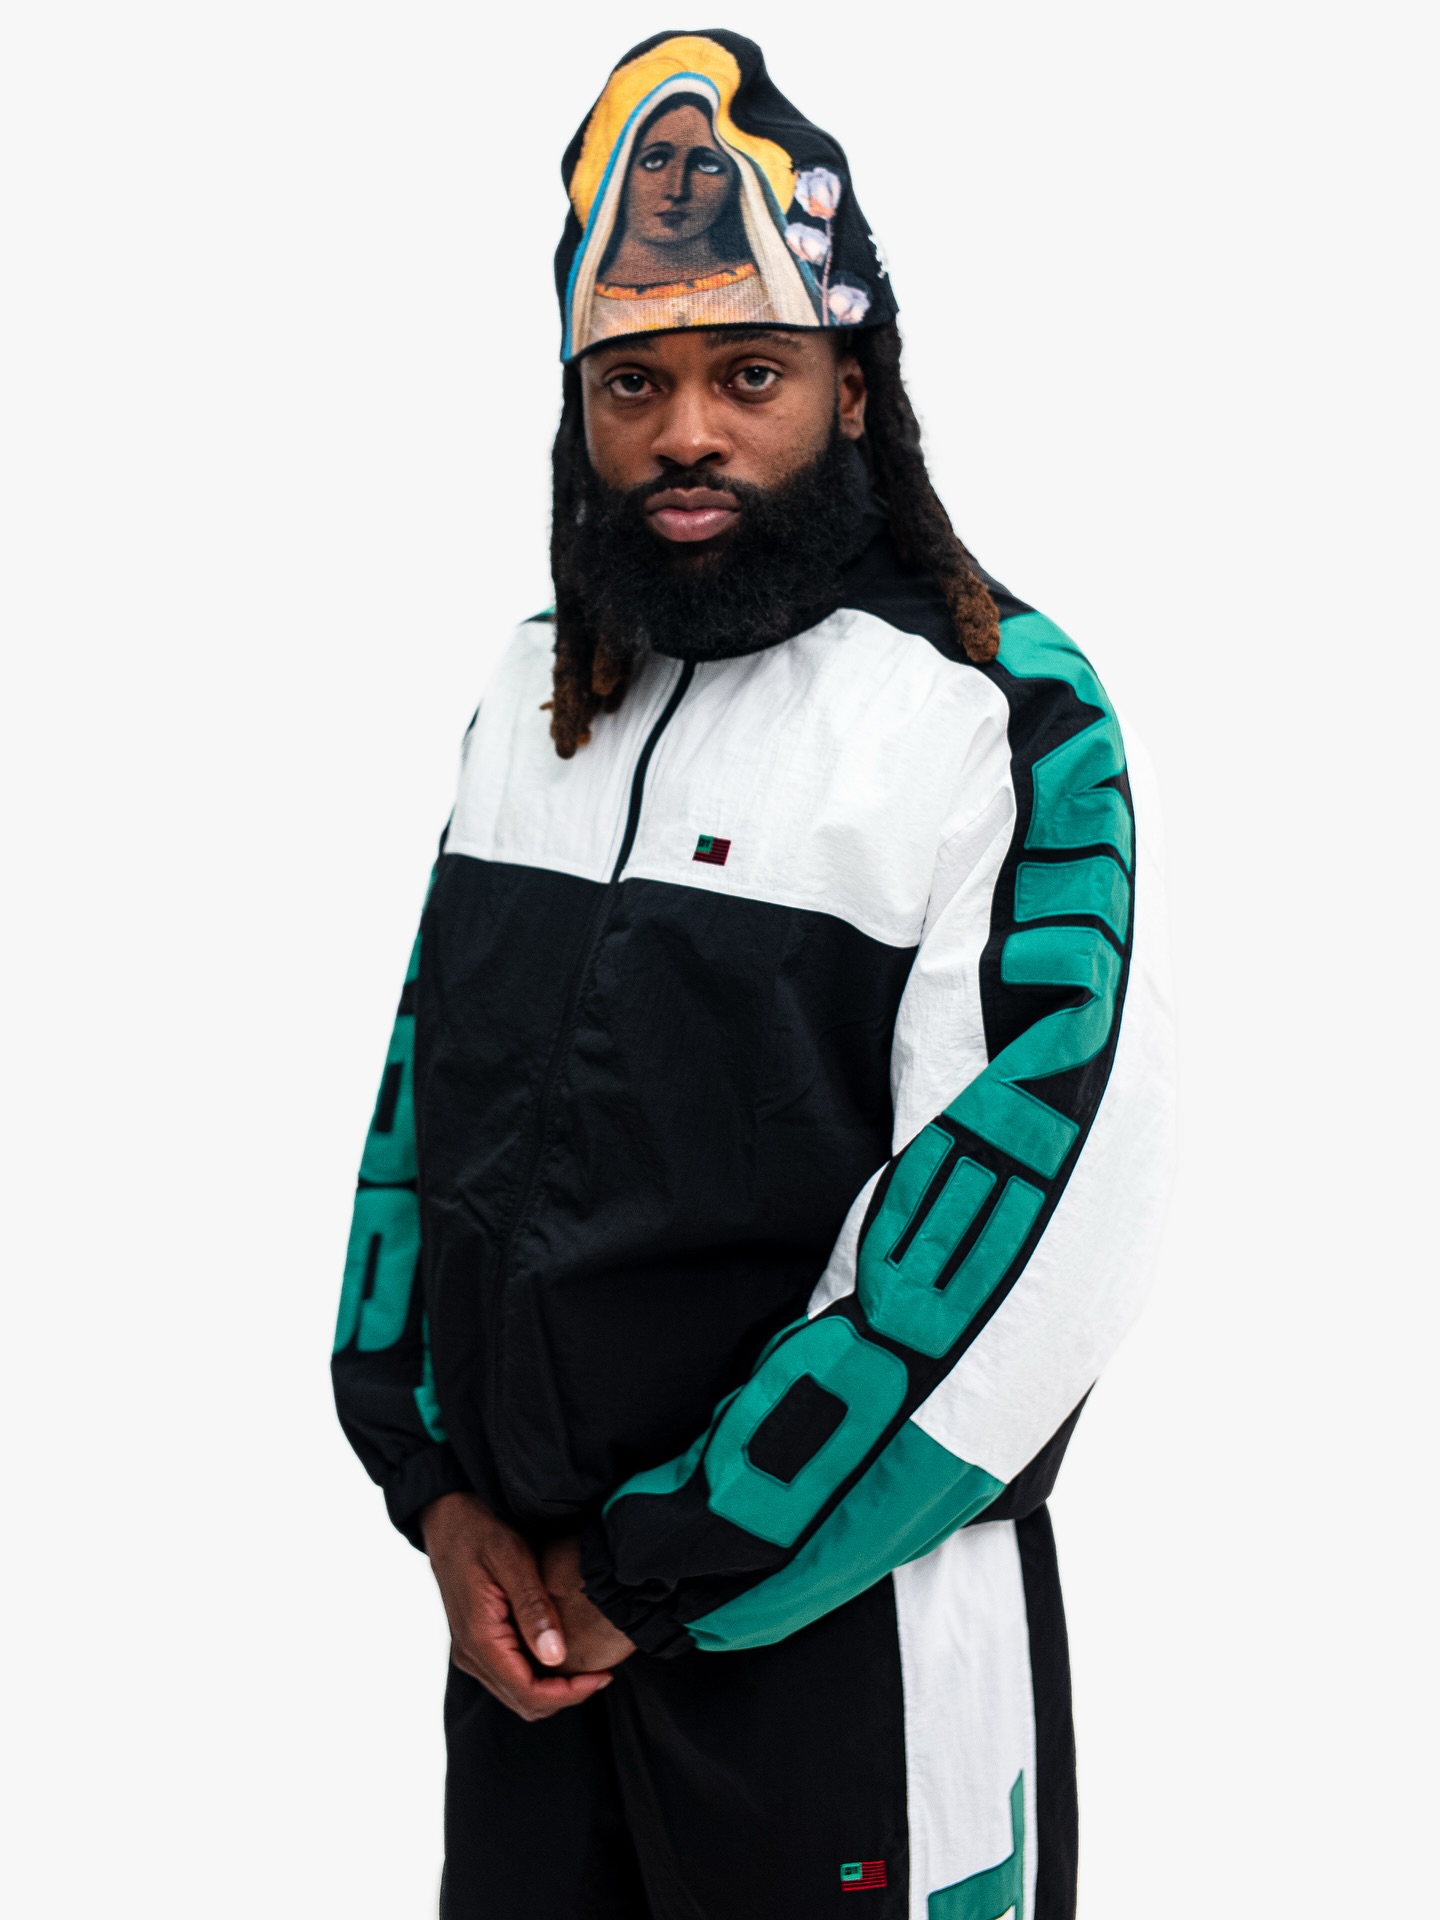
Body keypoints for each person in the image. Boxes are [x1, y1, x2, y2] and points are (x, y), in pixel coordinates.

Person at [333, 28, 1175, 1920]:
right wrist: (437, 1494)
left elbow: (1034, 1232)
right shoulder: (542, 686)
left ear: (853, 388)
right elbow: (421, 1108)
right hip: (529, 1638)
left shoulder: (998, 713)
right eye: (632, 382)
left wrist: (668, 1565)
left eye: (751, 374)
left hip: (841, 1644)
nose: (687, 432)